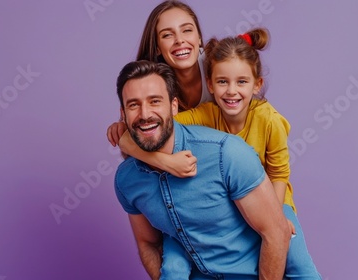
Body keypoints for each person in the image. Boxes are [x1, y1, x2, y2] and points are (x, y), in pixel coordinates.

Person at [115, 29, 321, 279]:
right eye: (223, 82)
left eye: (242, 82)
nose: (231, 91)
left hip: (276, 196)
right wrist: (163, 160)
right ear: (210, 85)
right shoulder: (203, 115)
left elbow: (279, 172)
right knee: (173, 268)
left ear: (257, 84)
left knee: (298, 261)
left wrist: (276, 216)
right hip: (223, 210)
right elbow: (158, 126)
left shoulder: (269, 121)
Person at [108, 0, 212, 143]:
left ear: (199, 38)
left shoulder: (217, 64)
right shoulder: (150, 80)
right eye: (167, 35)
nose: (179, 40)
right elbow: (139, 140)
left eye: (187, 30)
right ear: (157, 47)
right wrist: (123, 133)